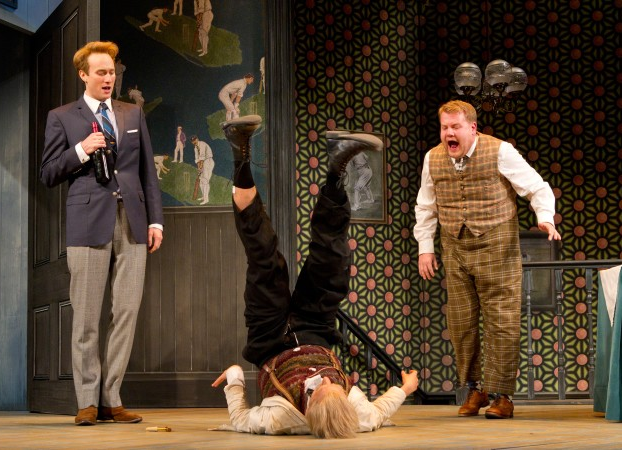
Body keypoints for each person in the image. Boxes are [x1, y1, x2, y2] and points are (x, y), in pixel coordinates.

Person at [211, 116, 419, 438]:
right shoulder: (357, 414)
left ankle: (239, 151)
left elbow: (240, 418)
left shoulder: (279, 419)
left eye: (319, 388)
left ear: (307, 409)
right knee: (334, 259)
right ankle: (337, 168)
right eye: (335, 384)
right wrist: (405, 388)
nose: (323, 379)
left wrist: (236, 378)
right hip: (315, 328)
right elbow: (378, 412)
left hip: (269, 338)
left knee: (265, 257)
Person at [40, 41, 164, 426]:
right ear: (84, 75)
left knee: (126, 312)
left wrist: (156, 221)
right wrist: (80, 149)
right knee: (87, 316)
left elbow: (147, 171)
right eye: (101, 72)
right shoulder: (63, 117)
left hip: (133, 222)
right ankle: (87, 402)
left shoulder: (132, 113)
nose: (109, 78)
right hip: (88, 222)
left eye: (112, 72)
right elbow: (48, 173)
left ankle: (111, 398)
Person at [413, 100, 561, 419]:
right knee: (461, 322)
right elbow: (425, 206)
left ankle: (501, 396)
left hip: (497, 245)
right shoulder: (433, 158)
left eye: (455, 127)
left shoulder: (500, 151)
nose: (448, 133)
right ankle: (474, 389)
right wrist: (425, 246)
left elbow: (537, 187)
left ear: (472, 127)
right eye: (444, 127)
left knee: (501, 321)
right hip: (455, 247)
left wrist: (545, 217)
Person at [191, 135, 214, 205]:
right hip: (203, 163)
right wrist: (199, 167)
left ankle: (206, 199)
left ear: (197, 139)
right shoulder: (195, 148)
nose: (194, 142)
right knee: (201, 181)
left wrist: (201, 166)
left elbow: (202, 156)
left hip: (208, 161)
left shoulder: (202, 144)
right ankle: (204, 196)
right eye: (193, 141)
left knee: (205, 181)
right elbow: (197, 159)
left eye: (195, 140)